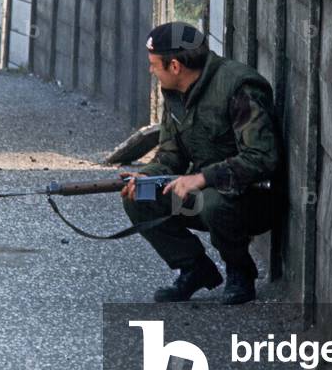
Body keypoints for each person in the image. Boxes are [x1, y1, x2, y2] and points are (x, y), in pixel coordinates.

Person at [121, 22, 282, 305]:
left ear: (175, 66)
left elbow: (261, 157)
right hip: (208, 193)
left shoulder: (238, 86)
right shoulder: (173, 93)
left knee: (211, 201)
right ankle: (195, 269)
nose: (151, 71)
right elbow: (171, 155)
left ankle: (240, 272)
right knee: (140, 197)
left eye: (154, 64)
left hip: (255, 200)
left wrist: (202, 178)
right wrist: (146, 175)